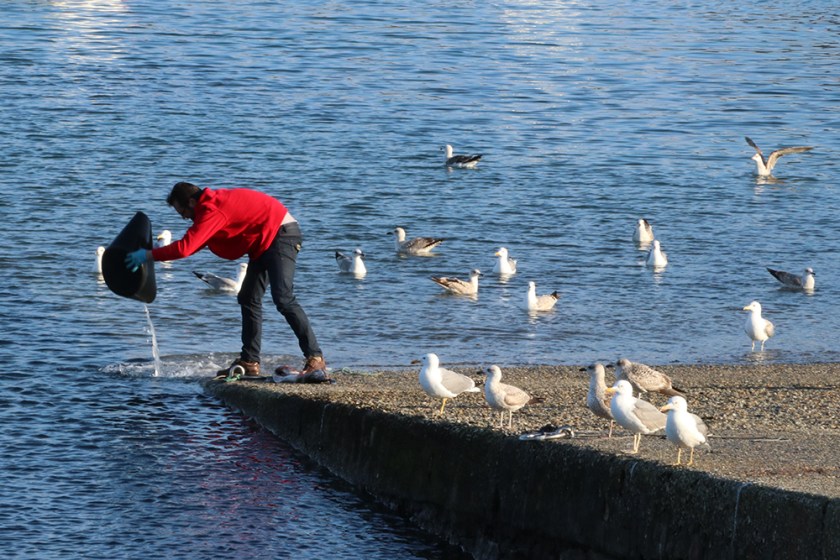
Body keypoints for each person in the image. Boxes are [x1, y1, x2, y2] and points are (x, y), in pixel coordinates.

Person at [125, 182, 326, 377]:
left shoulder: (212, 210)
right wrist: (155, 254)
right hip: (263, 241)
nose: (185, 219)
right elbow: (195, 244)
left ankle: (315, 357)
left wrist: (148, 255)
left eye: (183, 213)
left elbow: (186, 248)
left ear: (192, 203)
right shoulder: (210, 207)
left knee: (283, 298)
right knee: (248, 297)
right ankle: (249, 361)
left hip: (281, 235)